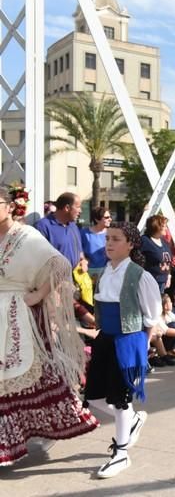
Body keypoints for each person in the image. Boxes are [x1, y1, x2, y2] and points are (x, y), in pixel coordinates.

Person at [0, 187, 98, 466]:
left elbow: (60, 265)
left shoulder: (26, 235)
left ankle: (113, 412)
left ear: (10, 206)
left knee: (34, 376)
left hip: (21, 316)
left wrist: (38, 295)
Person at [83, 222, 161, 478]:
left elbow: (151, 316)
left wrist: (143, 346)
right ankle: (132, 419)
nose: (109, 243)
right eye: (107, 238)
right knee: (93, 397)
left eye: (116, 239)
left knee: (119, 398)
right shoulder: (105, 271)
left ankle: (121, 452)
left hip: (128, 340)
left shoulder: (140, 275)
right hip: (105, 338)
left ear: (131, 244)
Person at [35, 192, 83, 268]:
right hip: (54, 278)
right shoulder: (43, 226)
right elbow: (39, 258)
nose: (80, 211)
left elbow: (79, 251)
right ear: (67, 208)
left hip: (74, 277)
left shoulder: (73, 225)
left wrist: (83, 261)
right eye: (78, 207)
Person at [141, 215, 172, 294]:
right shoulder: (145, 241)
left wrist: (168, 275)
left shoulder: (163, 241)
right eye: (164, 226)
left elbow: (167, 260)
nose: (166, 228)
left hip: (162, 281)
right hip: (149, 282)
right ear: (157, 227)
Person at [81, 207, 111, 279]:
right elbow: (79, 250)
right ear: (97, 219)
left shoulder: (111, 233)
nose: (110, 219)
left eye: (110, 217)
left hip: (107, 272)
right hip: (88, 272)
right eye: (106, 217)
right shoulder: (83, 233)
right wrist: (83, 260)